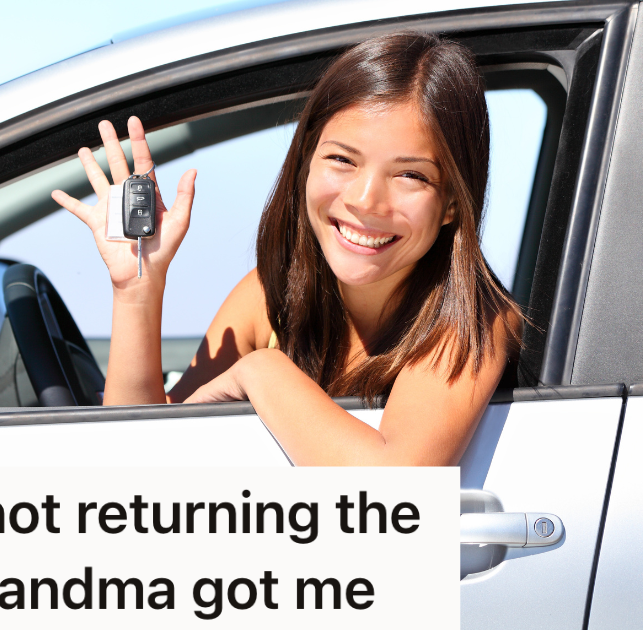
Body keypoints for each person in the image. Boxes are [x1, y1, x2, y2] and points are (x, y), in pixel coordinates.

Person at [51, 32, 521, 466]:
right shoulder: (269, 296)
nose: (364, 201)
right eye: (342, 160)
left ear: (452, 205)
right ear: (304, 165)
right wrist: (138, 289)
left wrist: (260, 371)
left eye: (410, 175)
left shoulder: (473, 321)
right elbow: (139, 460)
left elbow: (394, 488)